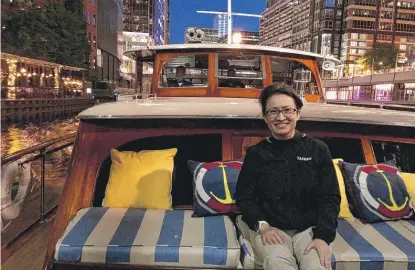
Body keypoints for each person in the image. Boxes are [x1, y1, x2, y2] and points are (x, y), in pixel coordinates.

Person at [235, 83, 340, 270]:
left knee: (317, 266)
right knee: (278, 263)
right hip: (271, 229)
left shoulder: (318, 149)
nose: (281, 117)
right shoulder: (256, 153)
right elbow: (244, 196)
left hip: (310, 229)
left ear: (298, 113)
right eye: (273, 112)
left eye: (287, 110)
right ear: (266, 118)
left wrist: (323, 236)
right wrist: (262, 225)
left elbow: (329, 198)